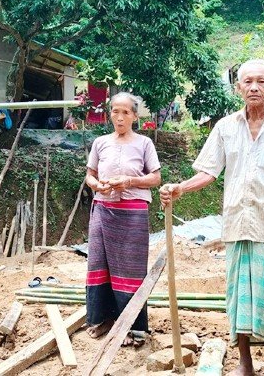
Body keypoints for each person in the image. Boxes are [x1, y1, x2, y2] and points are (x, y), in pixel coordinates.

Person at [160, 59, 264, 376]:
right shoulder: (225, 128)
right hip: (237, 224)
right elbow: (208, 172)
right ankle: (245, 364)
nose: (254, 87)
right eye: (248, 81)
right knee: (238, 295)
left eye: (261, 81)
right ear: (238, 88)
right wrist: (179, 188)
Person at [84, 92, 162, 346]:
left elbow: (155, 178)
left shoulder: (144, 144)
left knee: (130, 268)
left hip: (133, 212)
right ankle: (101, 319)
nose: (119, 117)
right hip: (102, 208)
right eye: (115, 111)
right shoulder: (100, 142)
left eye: (125, 112)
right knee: (98, 262)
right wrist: (98, 186)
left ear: (135, 116)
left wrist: (129, 181)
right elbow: (90, 175)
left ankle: (134, 327)